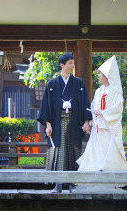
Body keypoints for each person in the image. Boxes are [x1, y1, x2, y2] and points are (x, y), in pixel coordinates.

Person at [37, 53, 92, 192]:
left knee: (74, 151)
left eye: (73, 63)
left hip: (74, 121)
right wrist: (48, 125)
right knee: (59, 151)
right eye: (70, 63)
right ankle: (59, 184)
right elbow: (47, 106)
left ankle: (73, 183)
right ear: (62, 65)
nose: (73, 66)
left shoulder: (78, 83)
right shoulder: (52, 84)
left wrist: (86, 121)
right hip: (57, 122)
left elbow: (85, 102)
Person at [76, 55, 127, 172]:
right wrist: (89, 121)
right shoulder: (99, 91)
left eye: (100, 74)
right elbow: (93, 106)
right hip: (98, 127)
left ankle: (109, 171)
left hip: (109, 127)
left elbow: (117, 109)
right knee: (95, 152)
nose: (98, 76)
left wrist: (103, 113)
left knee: (109, 151)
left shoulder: (116, 92)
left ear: (106, 76)